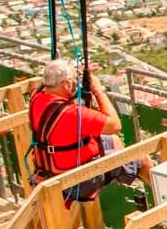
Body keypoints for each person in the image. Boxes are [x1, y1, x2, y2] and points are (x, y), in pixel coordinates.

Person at [28, 59, 140, 204]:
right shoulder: (72, 114)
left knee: (113, 140)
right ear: (66, 84)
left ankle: (124, 175)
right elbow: (115, 125)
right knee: (141, 159)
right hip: (75, 181)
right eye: (75, 80)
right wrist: (98, 90)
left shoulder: (36, 99)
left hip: (48, 169)